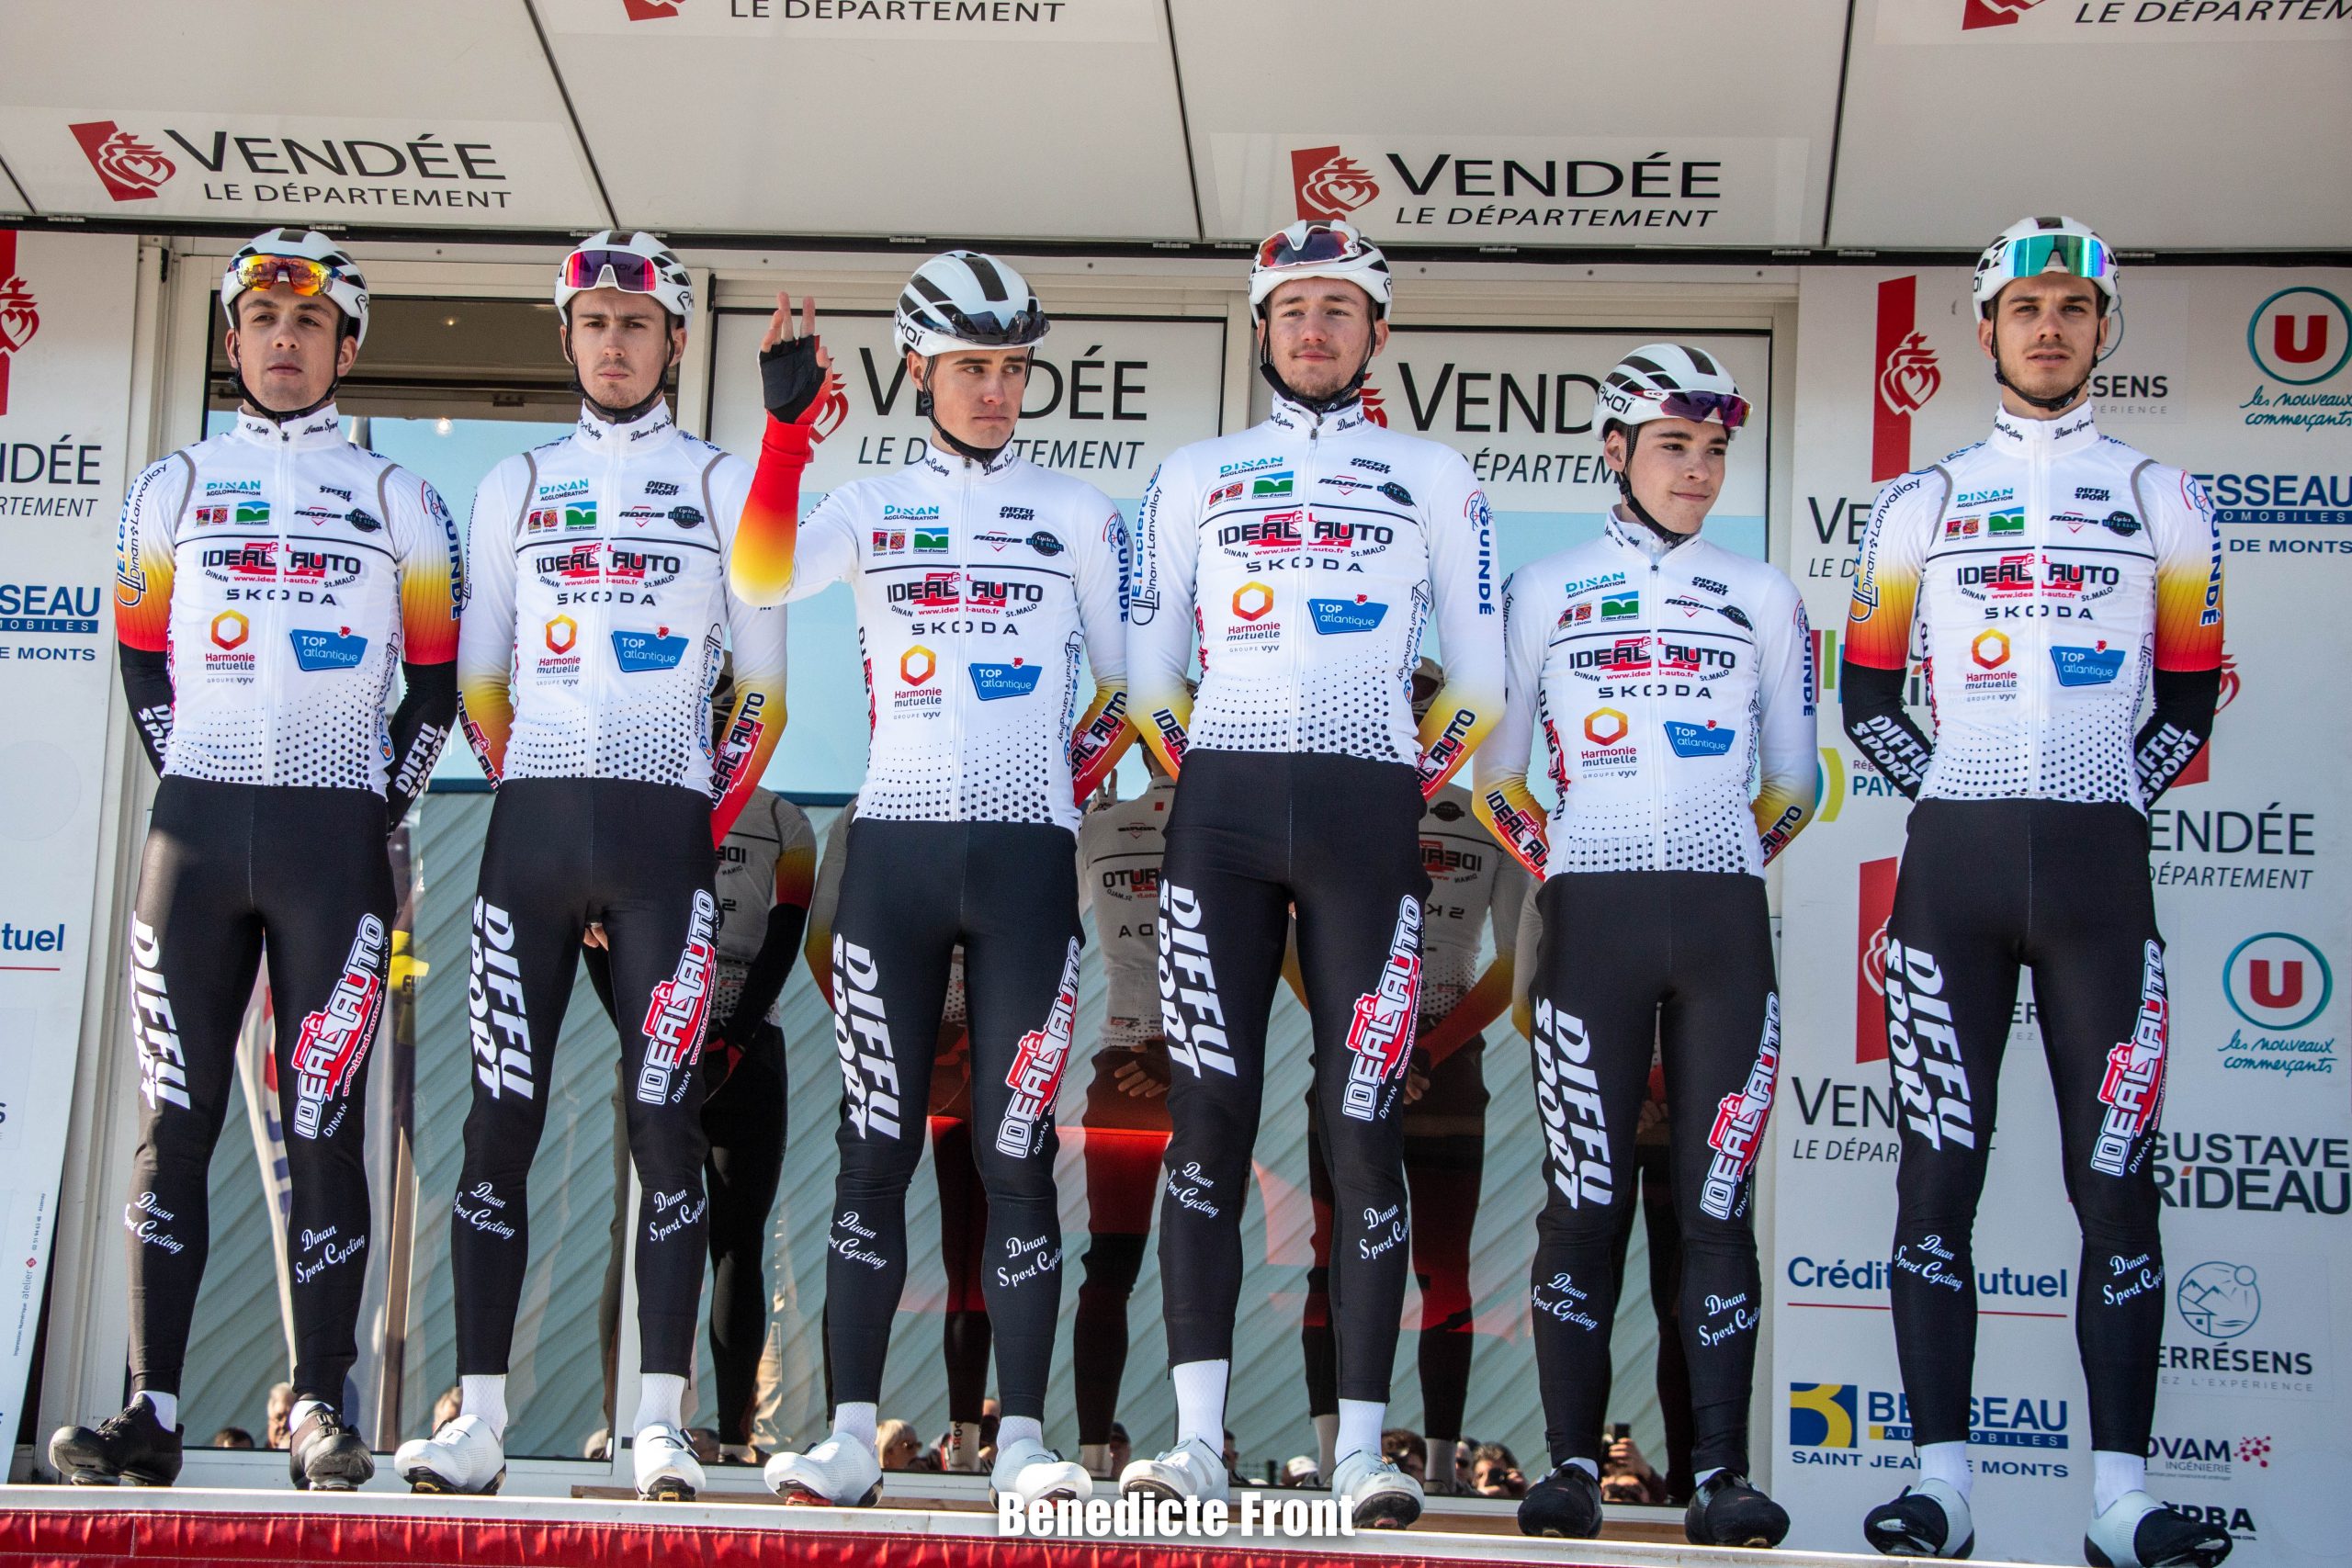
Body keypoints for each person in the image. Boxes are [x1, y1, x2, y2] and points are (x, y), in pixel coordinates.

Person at [1843, 218, 2228, 1568]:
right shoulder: (1920, 501)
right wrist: (1953, 794)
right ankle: (1939, 1484)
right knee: (1934, 1179)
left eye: (2071, 306)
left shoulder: (2168, 498)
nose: (2048, 326)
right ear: (1985, 328)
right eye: (2024, 307)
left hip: (2096, 879)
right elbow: (1865, 699)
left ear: (2104, 328)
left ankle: (2120, 1498)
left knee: (2117, 1184)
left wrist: (2105, 796)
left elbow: (2189, 706)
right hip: (1950, 873)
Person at [52, 230, 460, 1493]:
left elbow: (435, 688)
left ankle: (321, 1405)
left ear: (348, 345)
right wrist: (196, 774)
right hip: (193, 836)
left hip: (333, 842)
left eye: (310, 321)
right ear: (232, 340)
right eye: (262, 321)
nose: (284, 339)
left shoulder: (404, 499)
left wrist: (371, 811)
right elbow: (140, 659)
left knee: (326, 1126)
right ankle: (150, 1406)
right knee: (173, 1123)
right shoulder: (170, 486)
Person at [729, 253, 1132, 1510]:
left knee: (1017, 1152)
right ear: (918, 369)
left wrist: (1055, 784)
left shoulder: (1080, 512)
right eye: (970, 368)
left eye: (1012, 368)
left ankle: (1021, 1441)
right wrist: (784, 440)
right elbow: (760, 575)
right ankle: (852, 1436)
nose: (995, 390)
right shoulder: (868, 502)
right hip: (892, 854)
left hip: (1025, 865)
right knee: (875, 1146)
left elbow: (1127, 686)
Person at [394, 231, 789, 1503]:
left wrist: (687, 822)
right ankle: (479, 1419)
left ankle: (659, 1424)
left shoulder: (724, 482)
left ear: (676, 340)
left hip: (666, 840)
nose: (614, 344)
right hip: (532, 838)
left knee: (667, 1122)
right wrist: (538, 790)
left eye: (637, 324)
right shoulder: (513, 481)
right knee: (497, 1121)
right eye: (594, 324)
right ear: (566, 338)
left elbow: (764, 694)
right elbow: (479, 679)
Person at [1122, 217, 1503, 1531]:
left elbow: (1482, 679)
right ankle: (1196, 1442)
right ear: (1261, 327)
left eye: (1339, 309)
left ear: (1377, 332)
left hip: (1365, 816)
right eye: (1292, 309)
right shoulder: (1195, 473)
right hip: (1220, 818)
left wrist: (1399, 778)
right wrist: (1214, 774)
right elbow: (1149, 675)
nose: (1314, 329)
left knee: (1361, 1124)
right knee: (1208, 1117)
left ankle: (1361, 1451)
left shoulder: (1436, 475)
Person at [1475, 345, 1814, 1546]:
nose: (1700, 470)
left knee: (1717, 1204)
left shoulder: (1763, 593)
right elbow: (1498, 779)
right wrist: (1568, 859)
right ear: (1615, 451)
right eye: (1675, 446)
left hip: (1723, 925)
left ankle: (1720, 1473)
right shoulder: (1546, 588)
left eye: (1715, 449)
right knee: (1585, 1201)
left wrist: (1719, 859)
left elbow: (1795, 783)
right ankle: (1571, 1463)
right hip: (1592, 920)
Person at [1295, 660, 1527, 1494]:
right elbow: (1290, 937)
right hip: (1400, 1054)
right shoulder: (1339, 809)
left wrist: (1400, 1042)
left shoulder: (1483, 821)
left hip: (1406, 1052)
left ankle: (1430, 1461)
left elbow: (1518, 964)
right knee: (1343, 1257)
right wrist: (1402, 1043)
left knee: (1431, 1263)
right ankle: (1351, 1456)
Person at [589, 667, 816, 1465]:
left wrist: (649, 1036)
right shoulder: (784, 818)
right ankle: (725, 1432)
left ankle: (639, 1424)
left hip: (670, 1034)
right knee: (732, 1241)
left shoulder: (646, 808)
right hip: (741, 1046)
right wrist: (733, 1039)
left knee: (655, 1227)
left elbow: (599, 942)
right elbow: (781, 939)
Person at [805, 804, 992, 1472]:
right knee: (863, 1218)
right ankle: (846, 1426)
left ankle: (966, 1438)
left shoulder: (998, 799)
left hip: (975, 1060)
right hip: (893, 1048)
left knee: (971, 1250)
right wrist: (873, 1029)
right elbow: (822, 941)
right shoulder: (855, 818)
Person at [1070, 754, 1177, 1479]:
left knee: (1109, 1266)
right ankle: (1199, 1445)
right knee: (1203, 1266)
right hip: (1202, 1069)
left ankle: (1090, 1455)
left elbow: (1050, 924)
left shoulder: (1102, 824)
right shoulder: (1237, 821)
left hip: (1121, 1066)